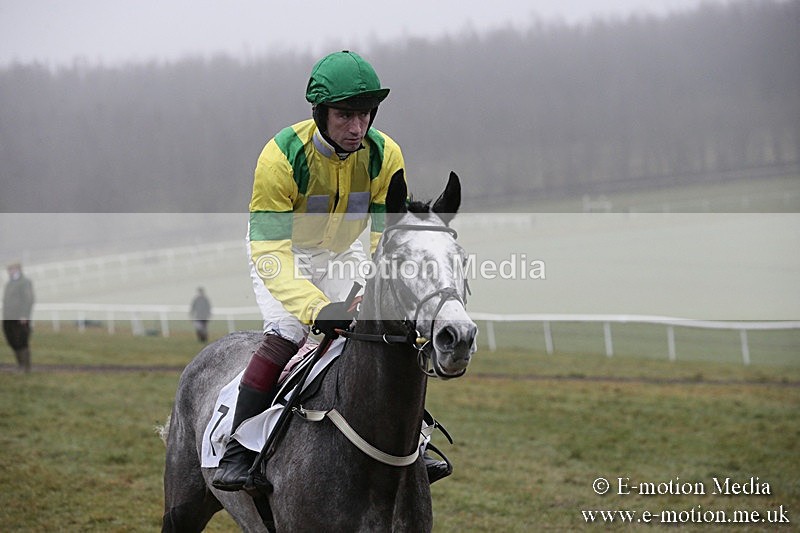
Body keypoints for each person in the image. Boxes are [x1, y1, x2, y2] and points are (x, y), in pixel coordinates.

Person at [212, 51, 451, 491]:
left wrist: (381, 290)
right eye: (344, 116)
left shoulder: (385, 154)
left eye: (364, 116)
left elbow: (386, 236)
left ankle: (413, 437)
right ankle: (239, 447)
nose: (356, 128)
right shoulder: (281, 156)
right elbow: (270, 249)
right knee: (288, 331)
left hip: (340, 256)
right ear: (320, 113)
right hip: (281, 253)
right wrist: (315, 309)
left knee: (382, 326)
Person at [2, 262, 35, 373]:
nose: (10, 271)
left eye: (12, 269)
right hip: (8, 317)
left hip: (19, 317)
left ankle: (25, 367)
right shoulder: (10, 283)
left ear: (18, 269)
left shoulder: (24, 282)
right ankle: (20, 365)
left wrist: (24, 315)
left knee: (21, 340)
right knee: (12, 340)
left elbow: (28, 299)